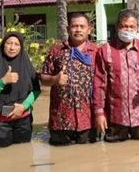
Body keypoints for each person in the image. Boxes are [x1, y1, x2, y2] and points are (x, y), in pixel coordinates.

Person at [93, 9, 139, 142]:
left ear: (137, 28)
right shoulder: (105, 50)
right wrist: (99, 113)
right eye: (124, 26)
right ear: (117, 27)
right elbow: (99, 84)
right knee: (114, 155)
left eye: (131, 27)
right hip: (115, 118)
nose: (128, 29)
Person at [40, 13, 98, 145]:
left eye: (82, 26)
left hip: (89, 120)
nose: (78, 30)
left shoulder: (96, 52)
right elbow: (42, 77)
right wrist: (55, 79)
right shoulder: (56, 50)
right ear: (67, 29)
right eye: (74, 26)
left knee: (90, 160)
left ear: (89, 29)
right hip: (61, 120)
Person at [0, 32, 41, 148]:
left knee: (23, 155)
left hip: (23, 121)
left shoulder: (26, 65)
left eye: (16, 44)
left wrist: (23, 107)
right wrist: (2, 82)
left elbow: (36, 90)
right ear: (3, 45)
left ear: (21, 47)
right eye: (8, 43)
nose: (12, 47)